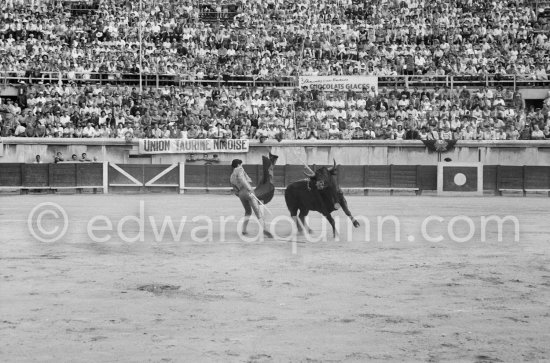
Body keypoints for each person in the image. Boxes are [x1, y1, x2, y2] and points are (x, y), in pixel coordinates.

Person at [230, 159, 273, 238]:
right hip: (247, 191)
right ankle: (265, 229)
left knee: (248, 211)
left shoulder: (231, 176)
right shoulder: (239, 169)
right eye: (241, 164)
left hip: (241, 194)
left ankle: (243, 230)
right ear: (238, 164)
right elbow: (241, 178)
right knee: (258, 211)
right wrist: (249, 188)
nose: (241, 165)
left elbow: (235, 190)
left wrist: (241, 194)